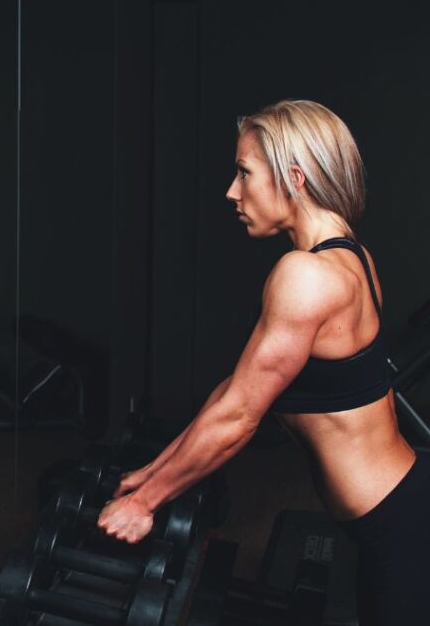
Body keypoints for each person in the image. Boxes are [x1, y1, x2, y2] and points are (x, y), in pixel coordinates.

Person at [97, 99, 426, 624]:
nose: (232, 190)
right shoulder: (352, 257)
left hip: (398, 525)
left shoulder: (306, 275)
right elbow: (235, 391)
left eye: (244, 172)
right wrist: (152, 473)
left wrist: (144, 505)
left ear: (293, 177)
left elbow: (241, 416)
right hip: (397, 510)